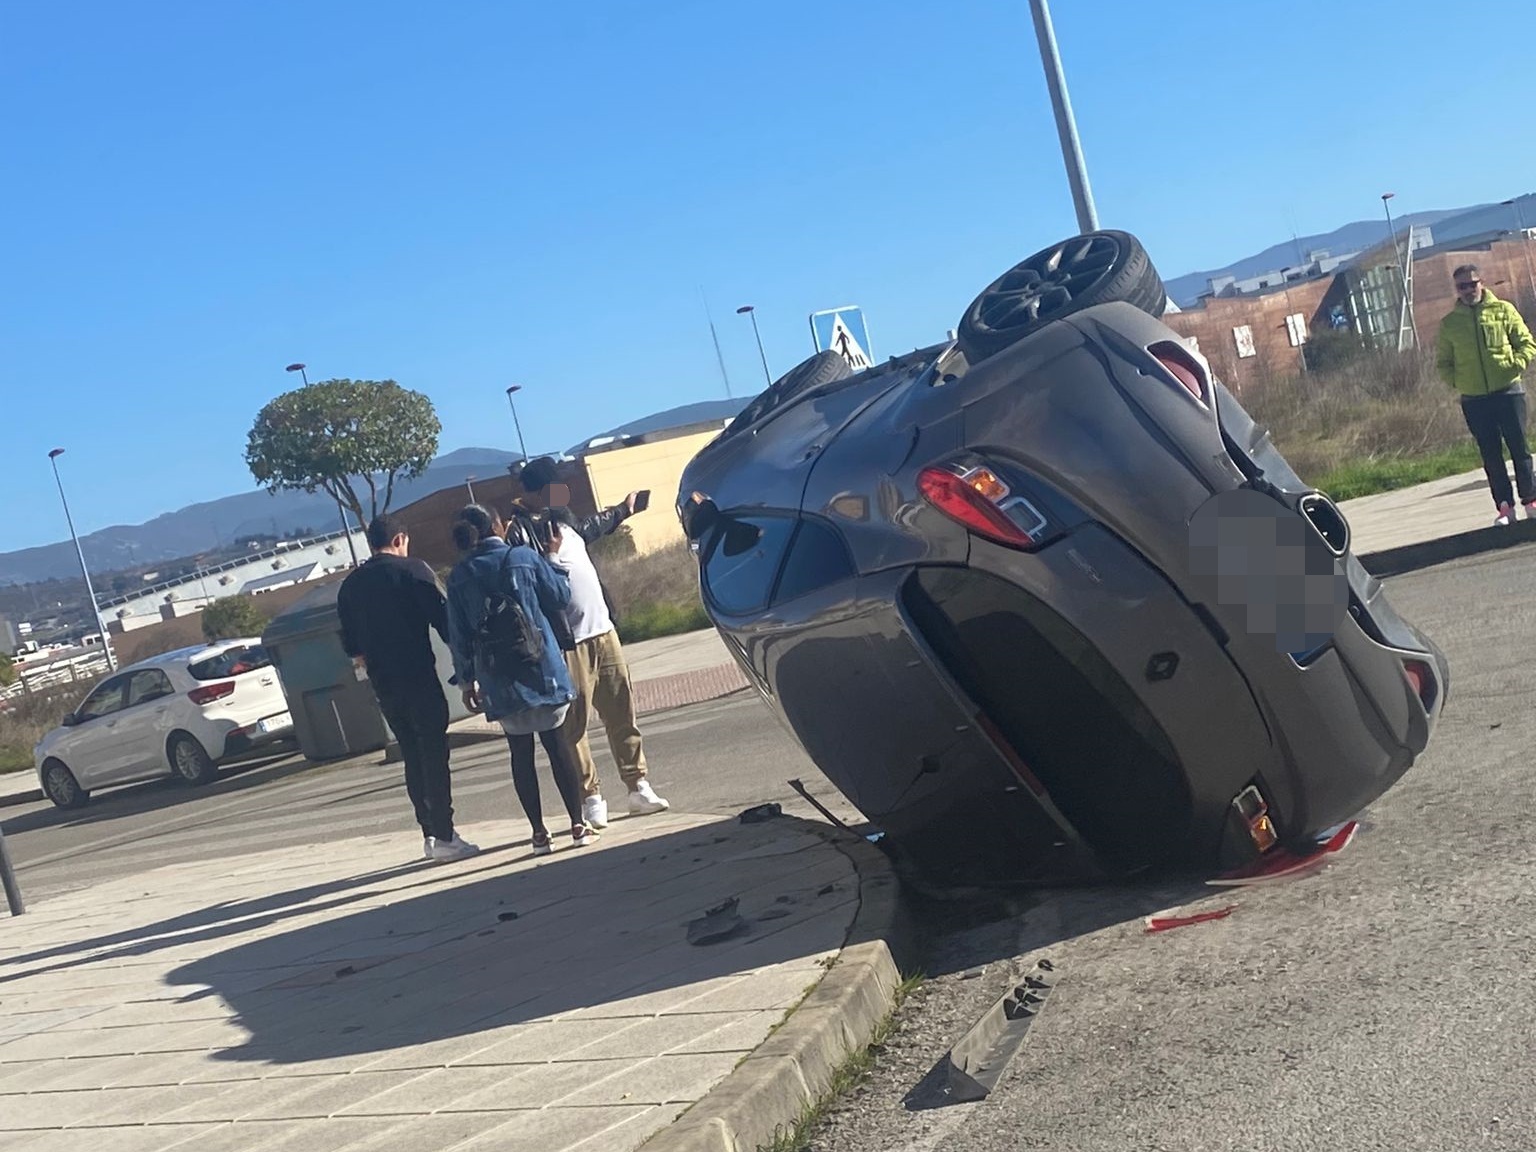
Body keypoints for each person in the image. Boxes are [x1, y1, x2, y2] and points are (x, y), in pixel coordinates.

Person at [513, 457, 669, 830]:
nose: (560, 491)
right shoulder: (520, 533)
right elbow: (530, 583)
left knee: (621, 711)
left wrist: (623, 510)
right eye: (553, 486)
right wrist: (548, 555)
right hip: (568, 640)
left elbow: (589, 527)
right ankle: (590, 795)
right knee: (574, 724)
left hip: (603, 629)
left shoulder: (562, 518)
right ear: (535, 492)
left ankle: (637, 785)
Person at [445, 503, 596, 854]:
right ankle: (577, 825)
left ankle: (539, 833)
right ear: (498, 526)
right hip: (540, 666)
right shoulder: (523, 557)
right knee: (557, 746)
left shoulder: (459, 576)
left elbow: (459, 635)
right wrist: (553, 559)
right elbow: (558, 596)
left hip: (498, 676)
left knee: (520, 753)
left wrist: (467, 682)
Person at [336, 513, 479, 863]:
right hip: (418, 675)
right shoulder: (413, 571)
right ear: (400, 539)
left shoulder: (350, 586)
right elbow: (447, 625)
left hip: (384, 683)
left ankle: (429, 833)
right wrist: (468, 670)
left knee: (411, 755)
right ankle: (445, 834)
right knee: (433, 752)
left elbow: (352, 646)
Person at [1435, 263, 1536, 525]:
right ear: (1456, 290)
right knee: (1491, 454)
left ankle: (1531, 500)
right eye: (1462, 286)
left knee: (1519, 449)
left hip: (1508, 391)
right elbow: (1444, 363)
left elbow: (1526, 343)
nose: (1468, 290)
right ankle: (1505, 508)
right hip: (1474, 399)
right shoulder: (1449, 324)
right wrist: (1459, 382)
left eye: (1472, 283)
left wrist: (1516, 364)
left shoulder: (1503, 310)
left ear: (1483, 282)